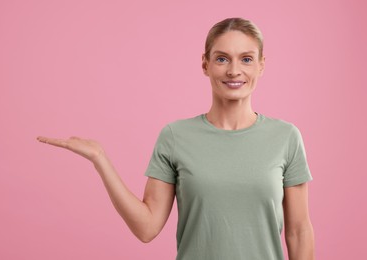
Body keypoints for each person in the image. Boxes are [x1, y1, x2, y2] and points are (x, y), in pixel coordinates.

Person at [37, 17, 315, 260]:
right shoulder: (175, 136)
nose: (233, 70)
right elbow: (146, 228)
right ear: (205, 64)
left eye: (246, 59)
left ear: (261, 65)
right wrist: (100, 159)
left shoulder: (285, 137)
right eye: (221, 58)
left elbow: (299, 231)